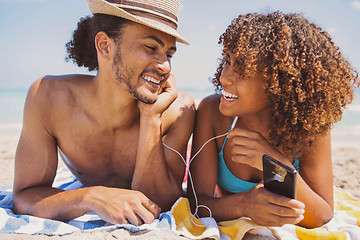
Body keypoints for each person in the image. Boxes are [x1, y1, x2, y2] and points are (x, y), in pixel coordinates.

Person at [13, 0, 195, 226]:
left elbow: (160, 204)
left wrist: (151, 118)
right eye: (151, 48)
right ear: (105, 46)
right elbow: (23, 197)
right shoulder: (49, 98)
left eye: (169, 54)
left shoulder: (177, 110)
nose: (165, 66)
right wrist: (92, 196)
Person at [189, 12, 359, 228]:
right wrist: (245, 205)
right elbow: (197, 203)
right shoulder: (212, 112)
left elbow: (323, 215)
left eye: (241, 69)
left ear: (278, 82)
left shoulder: (309, 125)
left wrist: (275, 162)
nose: (223, 77)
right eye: (227, 61)